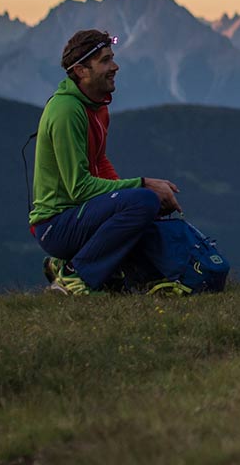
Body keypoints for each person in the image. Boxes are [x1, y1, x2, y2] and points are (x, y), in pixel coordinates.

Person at [28, 29, 186, 295]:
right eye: (105, 60)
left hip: (77, 216)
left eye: (112, 58)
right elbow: (79, 188)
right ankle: (74, 275)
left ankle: (94, 269)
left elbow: (99, 161)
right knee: (144, 200)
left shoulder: (97, 107)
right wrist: (143, 186)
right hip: (55, 224)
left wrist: (132, 198)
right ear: (81, 71)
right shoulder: (66, 111)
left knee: (144, 205)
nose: (115, 66)